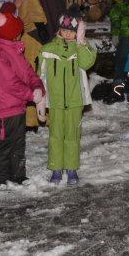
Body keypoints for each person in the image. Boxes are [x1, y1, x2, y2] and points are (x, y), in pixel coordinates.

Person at [0, 10, 45, 189]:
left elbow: (27, 71)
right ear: (13, 33)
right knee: (5, 143)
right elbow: (11, 83)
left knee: (18, 141)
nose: (20, 34)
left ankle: (18, 174)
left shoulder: (14, 48)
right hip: (5, 107)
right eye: (18, 31)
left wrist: (37, 85)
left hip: (17, 105)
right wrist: (30, 95)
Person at [17, 0, 71, 127]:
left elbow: (70, 0)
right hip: (35, 30)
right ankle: (31, 118)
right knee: (33, 71)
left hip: (59, 29)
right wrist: (39, 23)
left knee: (55, 74)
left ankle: (53, 115)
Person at [40, 12, 96, 184]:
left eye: (72, 31)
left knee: (72, 135)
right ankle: (56, 169)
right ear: (59, 29)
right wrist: (40, 100)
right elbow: (40, 75)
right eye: (64, 30)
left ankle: (72, 169)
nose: (67, 34)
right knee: (56, 135)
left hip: (75, 100)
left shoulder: (82, 48)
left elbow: (86, 63)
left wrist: (80, 43)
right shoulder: (48, 49)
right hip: (55, 101)